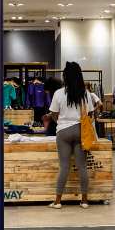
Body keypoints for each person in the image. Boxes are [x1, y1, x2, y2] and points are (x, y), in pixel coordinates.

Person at [46, 62, 101, 209]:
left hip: (63, 131)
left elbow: (53, 113)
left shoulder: (58, 93)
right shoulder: (86, 93)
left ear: (65, 76)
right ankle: (84, 201)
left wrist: (60, 122)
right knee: (82, 166)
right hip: (80, 131)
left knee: (64, 167)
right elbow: (90, 113)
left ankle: (57, 201)